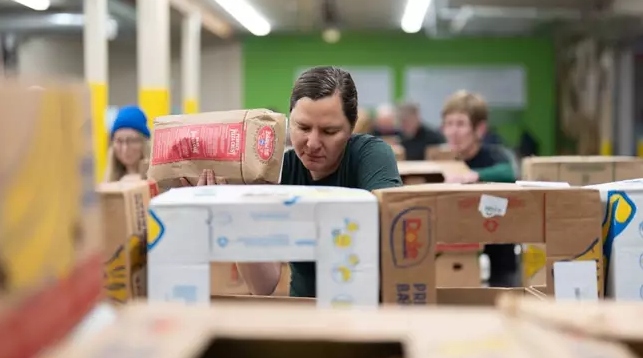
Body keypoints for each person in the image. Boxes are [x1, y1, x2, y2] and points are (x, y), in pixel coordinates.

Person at [184, 66, 403, 297]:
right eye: (303, 128)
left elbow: (393, 230)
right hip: (303, 310)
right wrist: (235, 214)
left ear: (352, 127)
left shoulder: (371, 157)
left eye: (329, 131)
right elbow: (263, 286)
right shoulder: (278, 171)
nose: (312, 143)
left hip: (367, 309)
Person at [440, 90, 518, 287]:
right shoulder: (444, 160)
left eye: (460, 124)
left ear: (480, 129)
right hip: (457, 259)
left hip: (499, 264)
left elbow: (508, 172)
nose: (453, 131)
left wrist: (475, 176)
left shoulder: (493, 155)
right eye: (448, 124)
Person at [104, 105, 151, 182]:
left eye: (132, 140)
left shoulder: (160, 181)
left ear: (144, 143)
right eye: (119, 141)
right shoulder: (110, 180)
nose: (124, 148)